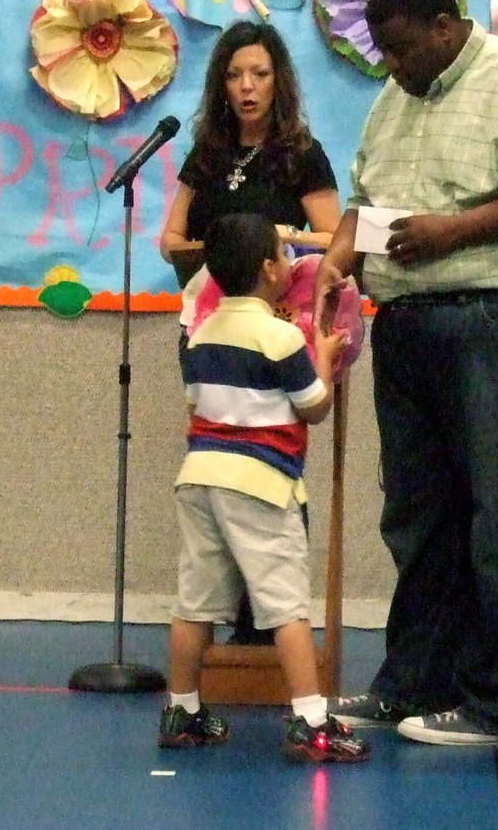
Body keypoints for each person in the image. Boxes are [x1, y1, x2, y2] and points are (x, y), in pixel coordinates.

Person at [315, 0, 498, 746]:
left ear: (446, 27)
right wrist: (340, 256)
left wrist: (455, 230)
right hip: (411, 326)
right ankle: (415, 681)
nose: (392, 67)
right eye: (382, 54)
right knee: (419, 519)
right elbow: (366, 200)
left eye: (402, 50)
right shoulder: (395, 97)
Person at [158, 212, 369, 764]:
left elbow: (195, 406)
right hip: (261, 485)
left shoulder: (199, 335)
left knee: (195, 603)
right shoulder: (281, 337)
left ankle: (181, 710)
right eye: (282, 252)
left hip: (200, 478)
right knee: (285, 606)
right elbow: (314, 406)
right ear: (270, 269)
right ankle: (311, 721)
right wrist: (322, 356)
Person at [160, 20, 340, 644]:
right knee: (218, 460)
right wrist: (225, 250)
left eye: (259, 74)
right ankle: (226, 620)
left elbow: (332, 237)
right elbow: (171, 240)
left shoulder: (301, 152)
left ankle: (272, 624)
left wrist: (278, 240)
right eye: (234, 75)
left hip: (279, 325)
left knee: (272, 464)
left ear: (279, 81)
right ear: (220, 84)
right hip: (210, 321)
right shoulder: (206, 151)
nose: (246, 87)